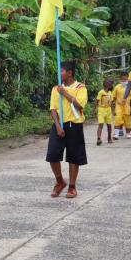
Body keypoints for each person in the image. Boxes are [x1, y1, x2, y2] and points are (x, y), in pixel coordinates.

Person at [46, 61, 88, 199]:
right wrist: (57, 126)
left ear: (69, 73)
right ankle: (59, 181)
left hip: (74, 125)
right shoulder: (55, 89)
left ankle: (72, 186)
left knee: (74, 157)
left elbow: (80, 105)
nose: (59, 74)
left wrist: (65, 93)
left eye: (62, 71)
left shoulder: (80, 87)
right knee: (52, 154)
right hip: (59, 125)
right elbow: (53, 109)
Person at [112, 72, 131, 140]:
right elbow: (113, 98)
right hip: (119, 106)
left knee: (128, 120)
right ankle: (116, 134)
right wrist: (113, 109)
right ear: (120, 79)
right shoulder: (117, 87)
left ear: (128, 79)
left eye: (125, 80)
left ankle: (128, 133)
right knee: (118, 119)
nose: (124, 81)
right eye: (122, 80)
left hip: (128, 106)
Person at [96, 79, 114, 145]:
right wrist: (94, 110)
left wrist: (113, 111)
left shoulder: (110, 93)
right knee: (101, 124)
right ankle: (98, 138)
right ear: (107, 85)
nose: (112, 86)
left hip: (108, 110)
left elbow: (111, 103)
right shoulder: (101, 92)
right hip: (101, 109)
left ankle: (109, 138)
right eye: (111, 85)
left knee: (109, 125)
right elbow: (97, 101)